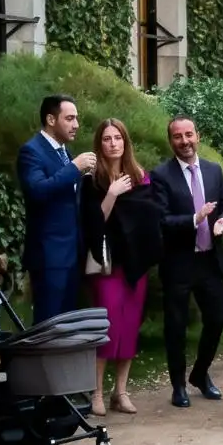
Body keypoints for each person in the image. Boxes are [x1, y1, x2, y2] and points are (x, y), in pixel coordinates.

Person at [150, 115, 223, 407]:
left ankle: (200, 373)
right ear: (171, 140)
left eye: (189, 135)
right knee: (176, 326)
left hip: (210, 260)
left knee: (217, 317)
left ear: (197, 136)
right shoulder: (161, 175)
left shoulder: (213, 171)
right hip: (179, 262)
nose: (185, 141)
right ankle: (178, 386)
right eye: (178, 136)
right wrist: (194, 219)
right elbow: (161, 220)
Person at [80, 118, 161, 417]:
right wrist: (112, 194)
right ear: (99, 144)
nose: (113, 143)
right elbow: (93, 224)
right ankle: (96, 393)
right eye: (106, 139)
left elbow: (149, 218)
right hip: (106, 263)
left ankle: (121, 392)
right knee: (108, 325)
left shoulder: (140, 177)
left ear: (125, 143)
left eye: (118, 138)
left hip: (133, 263)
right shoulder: (92, 180)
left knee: (129, 326)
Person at [17, 95, 96, 323]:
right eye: (70, 118)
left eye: (76, 119)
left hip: (72, 254)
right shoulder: (31, 151)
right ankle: (42, 361)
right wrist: (74, 168)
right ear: (51, 119)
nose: (76, 125)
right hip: (49, 256)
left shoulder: (63, 151)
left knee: (66, 325)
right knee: (48, 324)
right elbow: (38, 191)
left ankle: (61, 361)